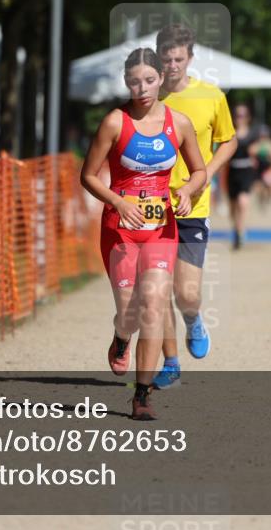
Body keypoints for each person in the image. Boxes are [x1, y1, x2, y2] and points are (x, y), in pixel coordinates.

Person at [79, 48, 206, 420]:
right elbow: (87, 176)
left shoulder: (178, 123)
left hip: (161, 230)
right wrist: (118, 203)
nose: (143, 88)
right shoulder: (115, 123)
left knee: (153, 305)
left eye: (149, 80)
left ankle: (143, 394)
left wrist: (185, 192)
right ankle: (121, 337)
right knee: (130, 313)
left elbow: (199, 170)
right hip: (120, 230)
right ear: (126, 82)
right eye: (135, 81)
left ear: (162, 79)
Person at [152, 24, 237, 390]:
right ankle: (170, 362)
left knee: (186, 293)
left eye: (179, 59)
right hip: (151, 206)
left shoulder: (211, 96)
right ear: (158, 58)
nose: (172, 66)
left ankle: (193, 320)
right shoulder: (148, 98)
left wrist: (207, 175)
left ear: (190, 57)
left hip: (193, 206)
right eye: (166, 59)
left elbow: (229, 141)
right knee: (158, 287)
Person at [227, 103, 259, 250]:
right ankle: (236, 228)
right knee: (233, 206)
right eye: (238, 115)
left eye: (243, 115)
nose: (240, 118)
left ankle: (241, 231)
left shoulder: (253, 133)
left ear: (248, 117)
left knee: (243, 202)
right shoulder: (229, 132)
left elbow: (257, 150)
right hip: (232, 170)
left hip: (246, 169)